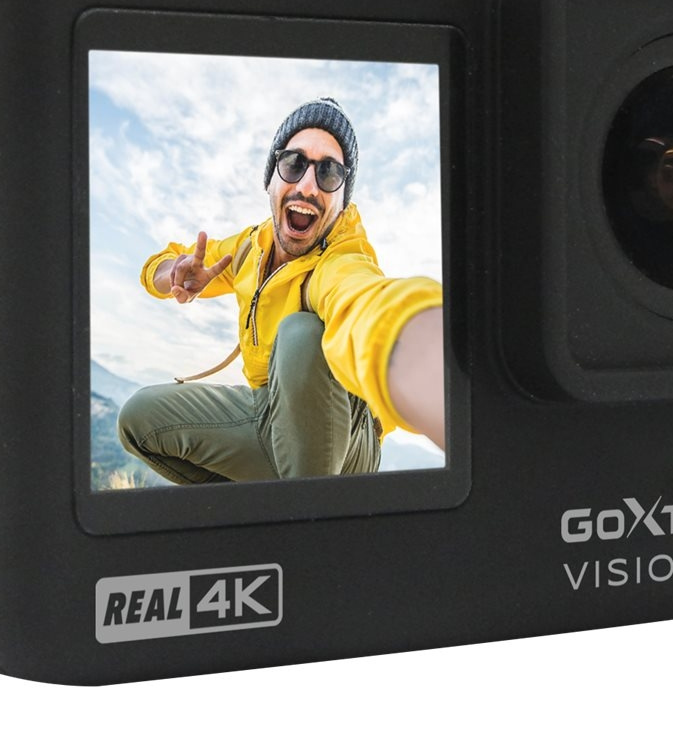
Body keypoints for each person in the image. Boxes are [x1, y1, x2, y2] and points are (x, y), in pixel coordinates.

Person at [118, 98, 444, 483]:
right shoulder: (248, 247)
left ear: (342, 202)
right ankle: (265, 509)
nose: (307, 186)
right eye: (293, 163)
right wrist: (174, 273)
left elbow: (365, 304)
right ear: (271, 178)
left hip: (347, 440)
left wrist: (435, 369)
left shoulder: (339, 260)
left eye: (329, 173)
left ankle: (310, 512)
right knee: (137, 419)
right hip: (271, 412)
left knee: (301, 334)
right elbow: (158, 265)